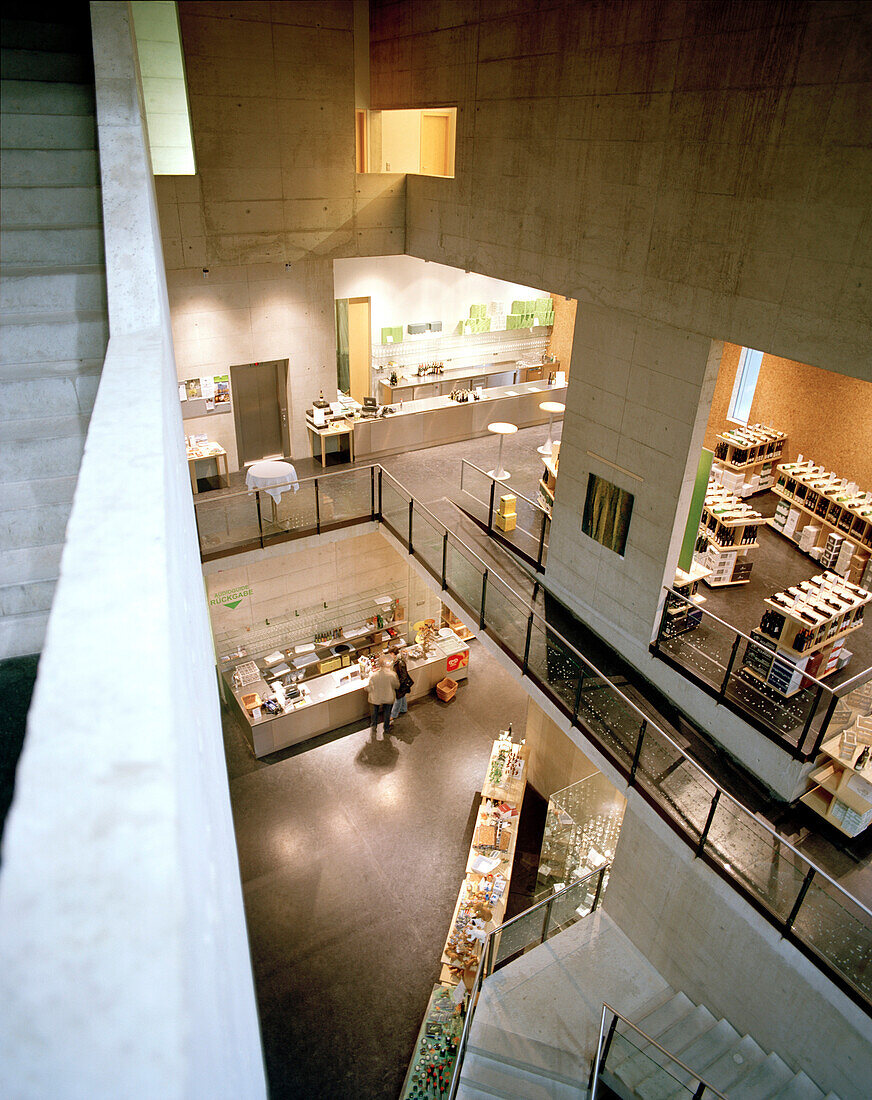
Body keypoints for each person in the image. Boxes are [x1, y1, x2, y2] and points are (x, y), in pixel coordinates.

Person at [366, 654, 398, 739]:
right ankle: (386, 728)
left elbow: (369, 687)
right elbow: (396, 685)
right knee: (387, 713)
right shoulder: (392, 675)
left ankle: (374, 726)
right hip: (387, 697)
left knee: (374, 713)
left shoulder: (373, 675)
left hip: (376, 698)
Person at [389, 645, 413, 720]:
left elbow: (403, 676)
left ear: (393, 653)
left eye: (390, 654)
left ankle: (393, 715)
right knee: (402, 696)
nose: (390, 655)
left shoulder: (400, 663)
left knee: (398, 698)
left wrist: (398, 684)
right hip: (400, 683)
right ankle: (403, 709)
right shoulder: (397, 660)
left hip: (400, 684)